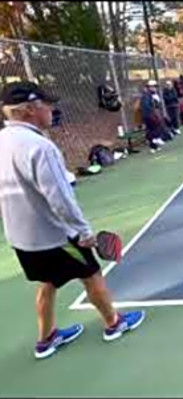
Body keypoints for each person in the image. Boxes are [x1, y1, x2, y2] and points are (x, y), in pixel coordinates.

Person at [0, 82, 146, 360]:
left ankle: (46, 339)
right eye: (47, 105)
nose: (52, 110)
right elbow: (60, 198)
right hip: (56, 237)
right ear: (31, 110)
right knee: (91, 275)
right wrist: (83, 232)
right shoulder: (40, 147)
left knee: (48, 282)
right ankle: (114, 324)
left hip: (21, 239)